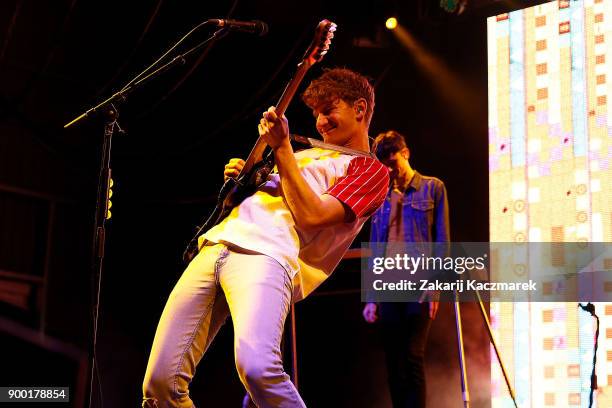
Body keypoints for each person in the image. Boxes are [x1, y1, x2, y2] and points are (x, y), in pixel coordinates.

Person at [142, 68, 389, 408]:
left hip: (268, 256)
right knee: (159, 384)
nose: (319, 122)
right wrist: (242, 179)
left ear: (360, 109)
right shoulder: (302, 155)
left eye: (328, 110)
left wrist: (283, 148)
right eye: (316, 114)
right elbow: (259, 199)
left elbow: (313, 216)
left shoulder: (370, 171)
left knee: (258, 368)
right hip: (217, 244)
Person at [362, 130, 450, 408]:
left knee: (413, 354)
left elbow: (442, 240)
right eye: (385, 165)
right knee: (393, 359)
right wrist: (371, 297)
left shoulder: (432, 187)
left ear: (406, 153)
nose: (390, 170)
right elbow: (376, 246)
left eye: (393, 162)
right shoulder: (381, 198)